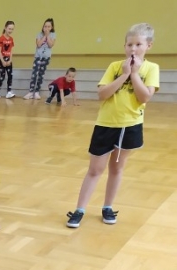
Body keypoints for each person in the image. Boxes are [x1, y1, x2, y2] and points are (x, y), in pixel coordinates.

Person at [66, 23, 159, 229]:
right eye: (129, 44)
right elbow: (102, 94)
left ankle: (108, 206)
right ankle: (80, 209)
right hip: (106, 124)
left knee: (117, 168)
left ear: (148, 45)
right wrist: (124, 74)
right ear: (124, 46)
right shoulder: (115, 67)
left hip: (131, 126)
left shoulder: (152, 68)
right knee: (95, 169)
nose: (133, 48)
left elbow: (145, 97)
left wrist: (134, 74)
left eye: (138, 44)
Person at [23, 18, 56, 100]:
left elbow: (50, 45)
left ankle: (37, 91)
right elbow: (38, 44)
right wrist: (44, 36)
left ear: (51, 27)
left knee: (41, 74)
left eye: (48, 26)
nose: (46, 28)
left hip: (46, 57)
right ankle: (31, 92)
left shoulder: (53, 35)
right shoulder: (39, 34)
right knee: (35, 74)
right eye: (45, 26)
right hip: (38, 56)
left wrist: (48, 36)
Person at [0, 20, 15, 99]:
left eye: (12, 29)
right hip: (2, 59)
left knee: (10, 75)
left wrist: (10, 60)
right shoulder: (1, 39)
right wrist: (2, 61)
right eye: (9, 28)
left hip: (8, 59)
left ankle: (9, 92)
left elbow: (11, 50)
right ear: (5, 28)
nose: (10, 30)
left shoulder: (11, 39)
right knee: (2, 76)